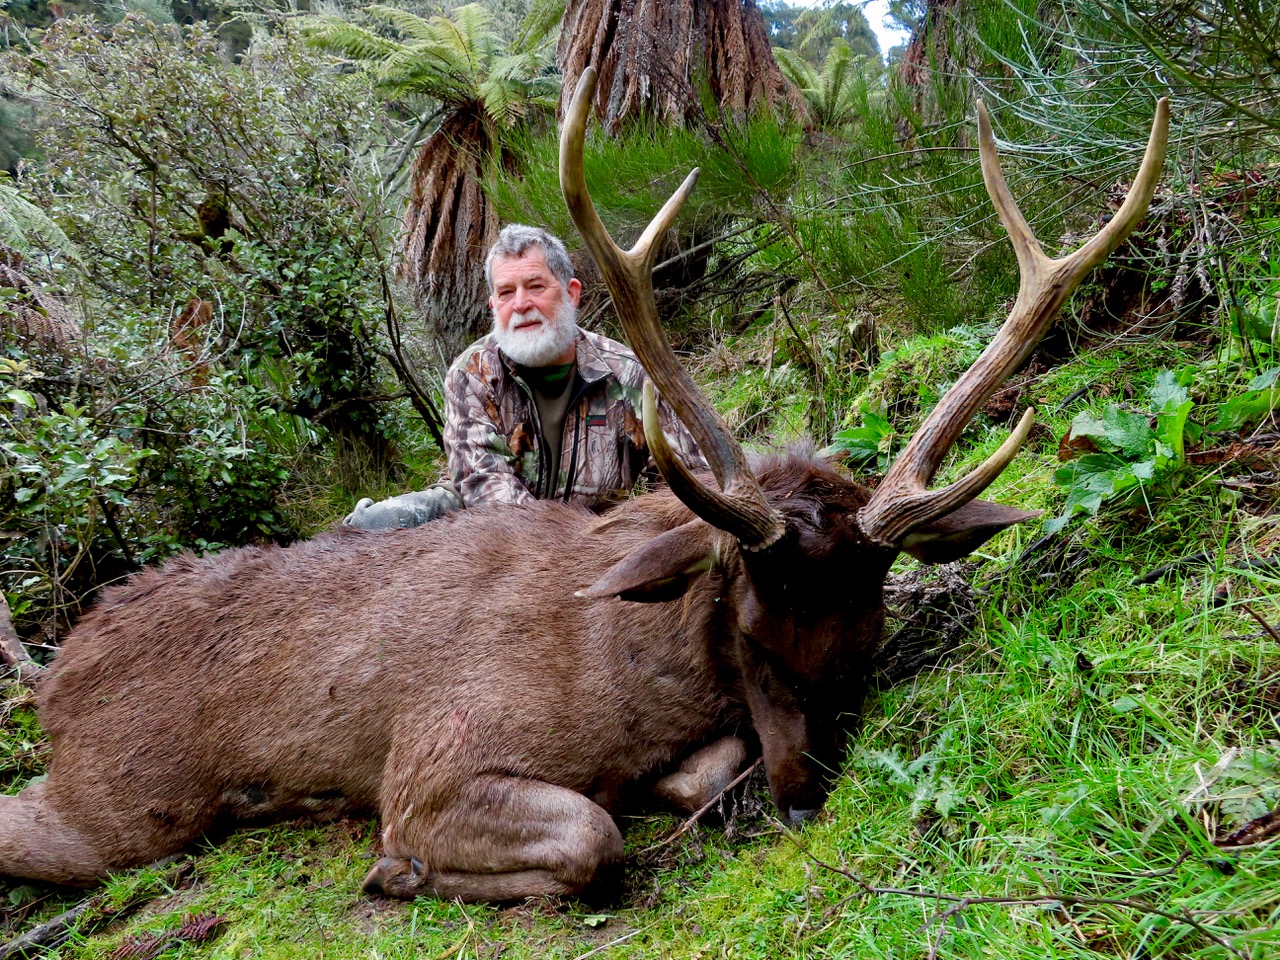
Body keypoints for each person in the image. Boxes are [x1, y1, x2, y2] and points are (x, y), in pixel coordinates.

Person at [343, 224, 705, 530]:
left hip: (596, 534)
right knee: (379, 524)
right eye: (506, 292)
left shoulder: (628, 374)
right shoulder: (472, 374)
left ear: (571, 293)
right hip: (489, 531)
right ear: (493, 305)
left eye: (535, 287)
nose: (520, 304)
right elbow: (484, 489)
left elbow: (689, 480)